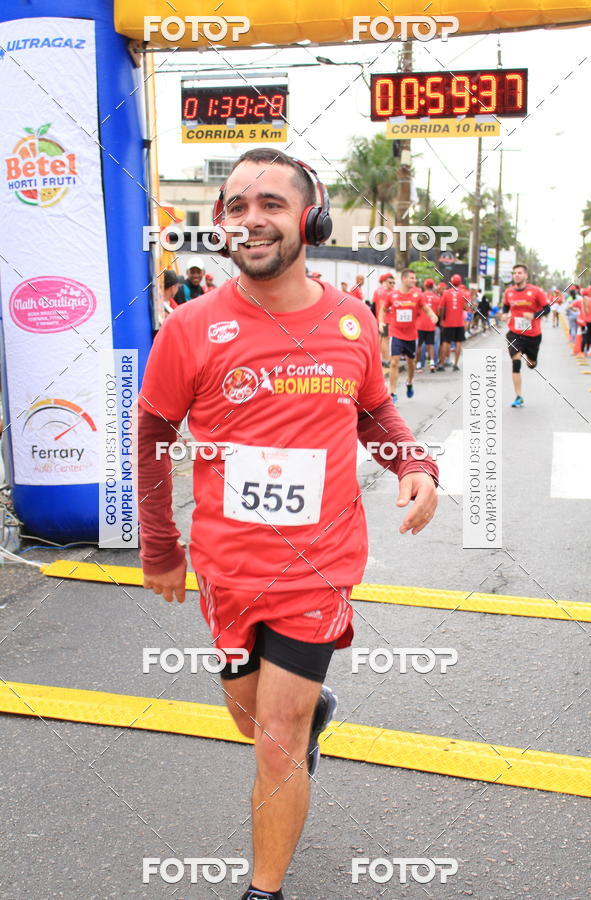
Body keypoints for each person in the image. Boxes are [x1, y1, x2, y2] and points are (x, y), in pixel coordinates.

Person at [137, 148, 439, 900]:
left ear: (311, 216)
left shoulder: (350, 320)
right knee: (249, 717)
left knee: (277, 743)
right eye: (236, 206)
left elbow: (375, 410)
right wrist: (161, 547)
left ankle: (262, 891)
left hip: (318, 567)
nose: (252, 218)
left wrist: (415, 466)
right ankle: (312, 712)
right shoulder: (191, 329)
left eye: (270, 202)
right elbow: (150, 438)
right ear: (220, 226)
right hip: (227, 568)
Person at [380, 268, 437, 400]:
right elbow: (383, 309)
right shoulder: (392, 296)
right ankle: (392, 392)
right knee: (394, 362)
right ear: (404, 279)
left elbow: (426, 309)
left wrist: (432, 315)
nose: (414, 280)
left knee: (411, 364)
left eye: (414, 278)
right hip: (396, 333)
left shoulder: (417, 295)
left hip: (411, 335)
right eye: (412, 278)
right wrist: (381, 322)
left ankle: (409, 382)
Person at [502, 263, 550, 407]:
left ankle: (532, 360)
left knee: (531, 364)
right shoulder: (508, 292)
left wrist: (534, 315)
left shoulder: (536, 291)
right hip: (515, 333)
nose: (516, 275)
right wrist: (505, 314)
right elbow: (506, 305)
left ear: (525, 275)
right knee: (516, 361)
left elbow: (547, 308)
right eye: (515, 273)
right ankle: (518, 396)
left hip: (533, 334)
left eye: (520, 273)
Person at [438, 274, 470, 371]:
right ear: (460, 282)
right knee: (458, 343)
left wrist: (442, 319)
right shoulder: (464, 293)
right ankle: (455, 364)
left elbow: (441, 308)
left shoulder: (446, 293)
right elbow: (466, 307)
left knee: (446, 343)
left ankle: (442, 364)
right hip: (459, 322)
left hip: (448, 322)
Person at [371, 273, 395, 366]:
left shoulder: (377, 291)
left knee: (380, 340)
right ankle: (385, 360)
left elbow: (373, 306)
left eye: (393, 283)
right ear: (385, 282)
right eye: (391, 282)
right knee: (385, 339)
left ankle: (380, 359)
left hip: (379, 319)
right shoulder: (389, 292)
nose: (393, 285)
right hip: (386, 319)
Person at [416, 277, 439, 372]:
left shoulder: (420, 296)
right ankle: (432, 363)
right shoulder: (437, 298)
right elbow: (438, 312)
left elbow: (416, 310)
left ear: (425, 285)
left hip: (420, 324)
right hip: (431, 324)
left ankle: (418, 365)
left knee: (419, 345)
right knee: (431, 345)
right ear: (432, 286)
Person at [569, 288, 591, 357]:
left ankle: (582, 352)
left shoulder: (580, 301)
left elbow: (570, 306)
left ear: (581, 294)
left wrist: (575, 310)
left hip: (585, 322)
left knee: (584, 337)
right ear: (589, 293)